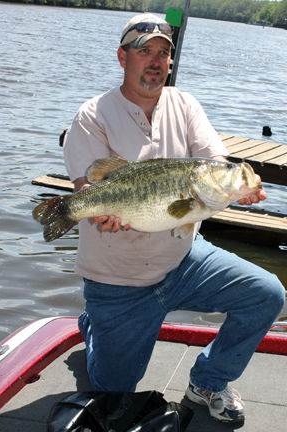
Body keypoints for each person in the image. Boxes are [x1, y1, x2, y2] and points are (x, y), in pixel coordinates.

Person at [63, 13, 285, 423]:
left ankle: (208, 381)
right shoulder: (91, 115)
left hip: (184, 261)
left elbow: (214, 160)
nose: (155, 61)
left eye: (163, 53)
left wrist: (237, 186)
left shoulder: (184, 103)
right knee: (114, 396)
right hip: (119, 281)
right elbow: (86, 187)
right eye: (144, 51)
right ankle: (95, 326)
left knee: (267, 294)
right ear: (122, 57)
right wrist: (96, 210)